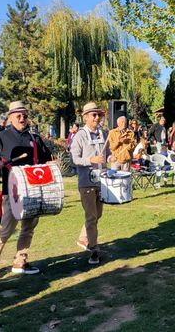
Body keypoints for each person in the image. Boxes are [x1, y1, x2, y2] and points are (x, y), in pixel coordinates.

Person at [0, 101, 52, 281]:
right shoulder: (2, 137)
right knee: (6, 229)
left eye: (25, 115)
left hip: (33, 189)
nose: (22, 119)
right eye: (18, 115)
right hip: (11, 191)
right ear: (10, 117)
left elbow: (46, 158)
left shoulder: (34, 138)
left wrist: (51, 164)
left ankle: (20, 261)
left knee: (28, 228)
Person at [70, 102, 109, 265]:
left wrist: (111, 158)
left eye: (98, 114)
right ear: (85, 117)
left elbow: (109, 153)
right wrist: (90, 160)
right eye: (93, 114)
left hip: (102, 181)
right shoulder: (79, 135)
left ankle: (83, 238)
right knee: (91, 217)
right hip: (86, 182)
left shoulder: (104, 134)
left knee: (97, 214)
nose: (97, 117)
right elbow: (74, 160)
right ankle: (94, 249)